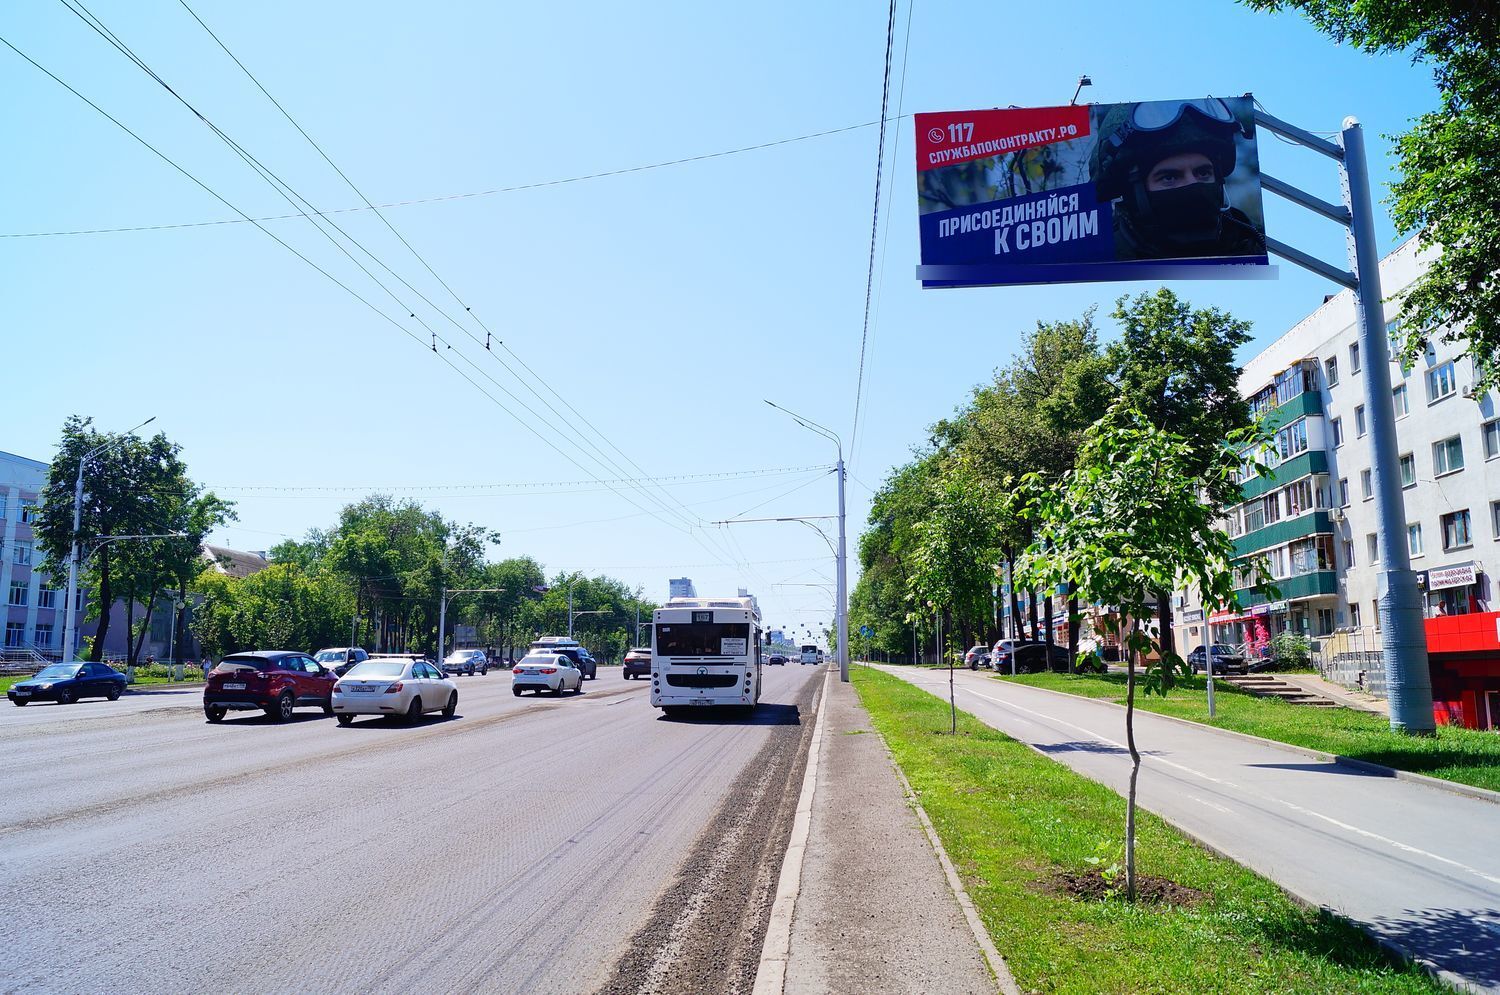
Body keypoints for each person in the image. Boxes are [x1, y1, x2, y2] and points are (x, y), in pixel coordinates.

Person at [1091, 98, 1266, 261]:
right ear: (1133, 190)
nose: (1192, 184)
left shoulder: (1255, 243)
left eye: (1203, 173)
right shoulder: (1099, 260)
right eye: (1170, 177)